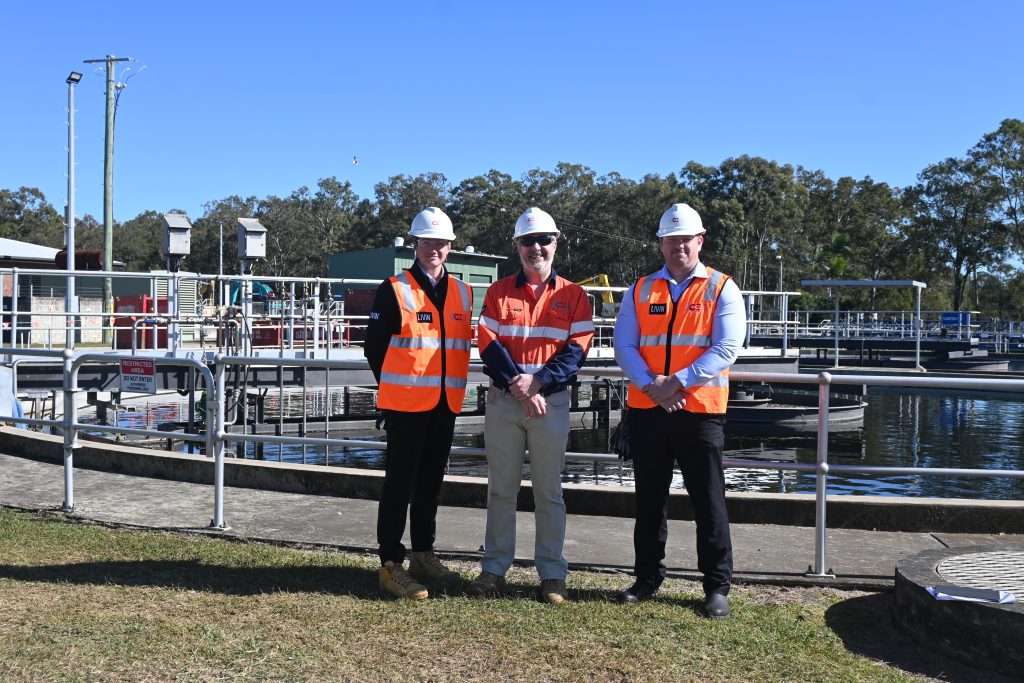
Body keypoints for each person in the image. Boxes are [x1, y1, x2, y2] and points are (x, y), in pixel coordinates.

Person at [612, 203, 745, 619]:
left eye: (685, 239)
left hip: (699, 412)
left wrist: (678, 382)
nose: (678, 247)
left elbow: (727, 348)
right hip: (650, 410)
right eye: (671, 240)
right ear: (661, 244)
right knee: (649, 500)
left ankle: (716, 586)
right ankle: (647, 577)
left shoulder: (723, 288)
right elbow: (624, 345)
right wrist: (653, 387)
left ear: (699, 241)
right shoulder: (640, 289)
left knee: (708, 501)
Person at [469, 207, 594, 604]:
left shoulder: (575, 296)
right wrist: (519, 384)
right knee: (500, 491)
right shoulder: (498, 291)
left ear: (556, 243)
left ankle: (552, 574)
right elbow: (487, 344)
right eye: (527, 241)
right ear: (516, 246)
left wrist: (537, 381)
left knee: (549, 492)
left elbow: (578, 350)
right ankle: (494, 568)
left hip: (550, 403)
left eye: (543, 240)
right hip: (506, 402)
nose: (535, 248)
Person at [363, 207, 474, 600]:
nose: (435, 249)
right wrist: (396, 392)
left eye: (442, 243)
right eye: (427, 242)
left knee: (430, 483)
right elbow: (374, 348)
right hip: (406, 405)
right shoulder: (394, 288)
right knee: (399, 484)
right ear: (415, 244)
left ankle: (424, 554)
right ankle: (391, 564)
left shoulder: (463, 291)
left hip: (445, 404)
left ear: (450, 247)